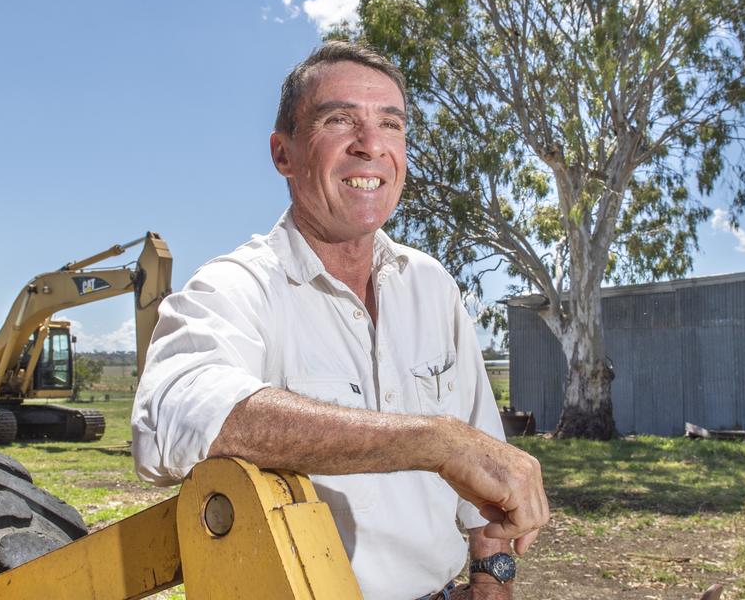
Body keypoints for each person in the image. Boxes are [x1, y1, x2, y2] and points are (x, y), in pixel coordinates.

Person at [131, 41, 549, 600]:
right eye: (339, 120)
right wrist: (434, 442)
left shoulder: (432, 286)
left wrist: (492, 577)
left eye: (390, 124)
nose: (371, 145)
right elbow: (173, 416)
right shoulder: (238, 285)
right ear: (284, 153)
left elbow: (483, 475)